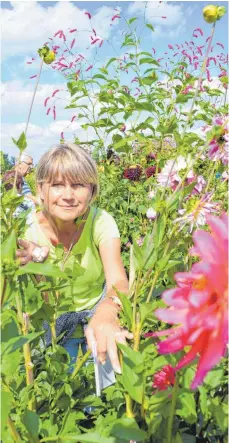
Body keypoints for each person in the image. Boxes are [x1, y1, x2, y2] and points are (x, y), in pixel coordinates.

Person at [16, 143, 133, 374]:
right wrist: (35, 266)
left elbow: (118, 281)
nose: (68, 196)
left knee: (106, 390)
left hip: (97, 317)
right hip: (51, 327)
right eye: (57, 185)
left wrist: (107, 312)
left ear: (92, 190)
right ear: (40, 190)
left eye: (78, 185)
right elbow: (43, 300)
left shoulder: (101, 221)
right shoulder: (25, 229)